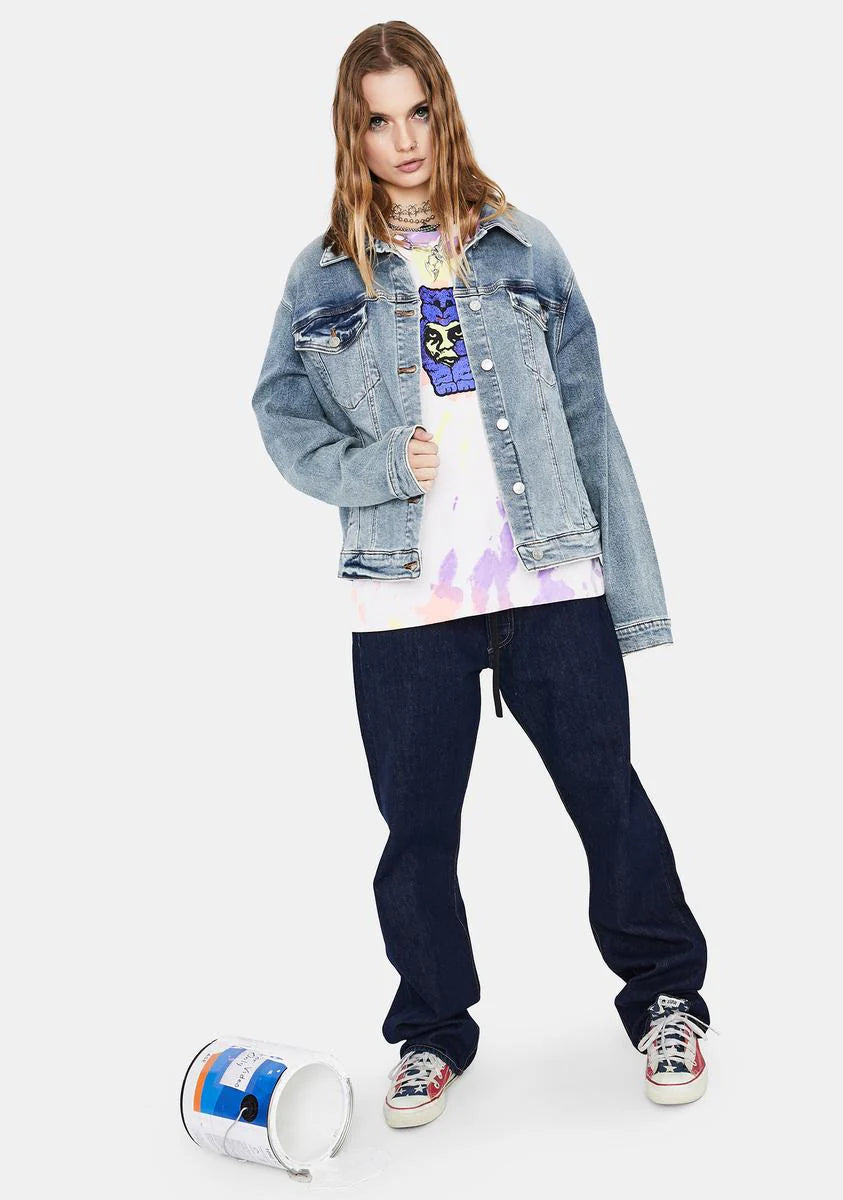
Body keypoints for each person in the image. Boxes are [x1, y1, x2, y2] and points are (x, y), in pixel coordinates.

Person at [251, 21, 715, 1129]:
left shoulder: (523, 250)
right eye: (379, 120)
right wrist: (375, 465)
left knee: (608, 798)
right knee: (416, 833)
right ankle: (430, 1031)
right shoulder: (322, 275)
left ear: (443, 111)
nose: (404, 140)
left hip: (549, 578)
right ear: (352, 133)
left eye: (418, 111)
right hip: (405, 592)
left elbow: (592, 425)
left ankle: (666, 999)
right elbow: (279, 415)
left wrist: (626, 591)